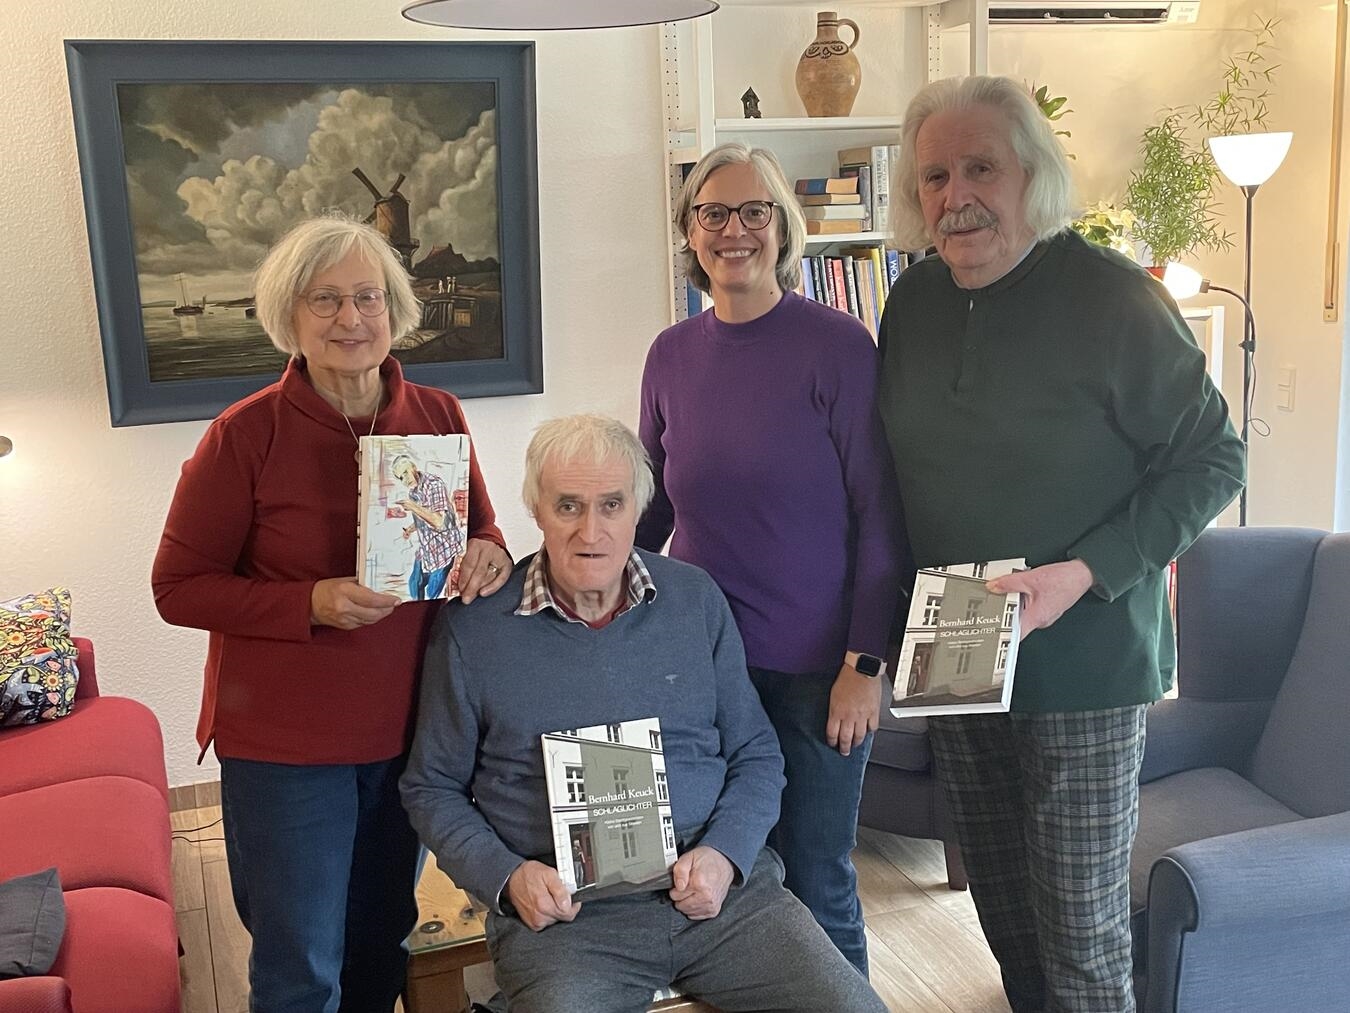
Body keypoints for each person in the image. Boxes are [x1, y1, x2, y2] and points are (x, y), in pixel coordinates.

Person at [877, 75, 1246, 1012]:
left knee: (1082, 931)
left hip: (1085, 660)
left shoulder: (1116, 299)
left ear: (1032, 177)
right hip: (957, 653)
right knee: (1006, 916)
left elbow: (1213, 458)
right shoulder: (910, 303)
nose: (955, 195)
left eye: (981, 168)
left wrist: (1085, 572)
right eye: (933, 176)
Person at [400, 414, 887, 1013]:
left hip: (723, 900)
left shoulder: (695, 599)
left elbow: (756, 754)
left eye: (611, 504)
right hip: (568, 924)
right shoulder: (474, 628)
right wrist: (506, 877)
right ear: (536, 510)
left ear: (640, 508)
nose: (591, 530)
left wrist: (726, 854)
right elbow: (431, 786)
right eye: (568, 506)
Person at [152, 215, 513, 1012]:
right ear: (291, 315)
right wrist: (308, 602)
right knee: (300, 964)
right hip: (287, 749)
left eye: (368, 297)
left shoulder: (438, 415)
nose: (352, 319)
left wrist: (490, 551)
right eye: (327, 300)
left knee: (380, 940)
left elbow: (482, 532)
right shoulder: (243, 435)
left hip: (412, 737)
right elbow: (177, 586)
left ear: (394, 308)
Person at [635, 142, 907, 975]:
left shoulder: (838, 345)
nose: (734, 230)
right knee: (727, 877)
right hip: (703, 669)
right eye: (713, 213)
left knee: (819, 878)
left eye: (755, 211)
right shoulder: (670, 355)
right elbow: (650, 509)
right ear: (690, 231)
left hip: (819, 675)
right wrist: (579, 595)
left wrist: (865, 661)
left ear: (782, 228)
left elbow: (881, 517)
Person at [392, 453, 464, 600]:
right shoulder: (413, 492)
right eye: (401, 477)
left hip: (444, 548)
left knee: (432, 594)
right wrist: (410, 529)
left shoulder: (434, 484)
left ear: (413, 467)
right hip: (427, 548)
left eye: (405, 472)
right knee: (414, 585)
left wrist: (412, 506)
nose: (404, 479)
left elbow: (438, 522)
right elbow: (423, 519)